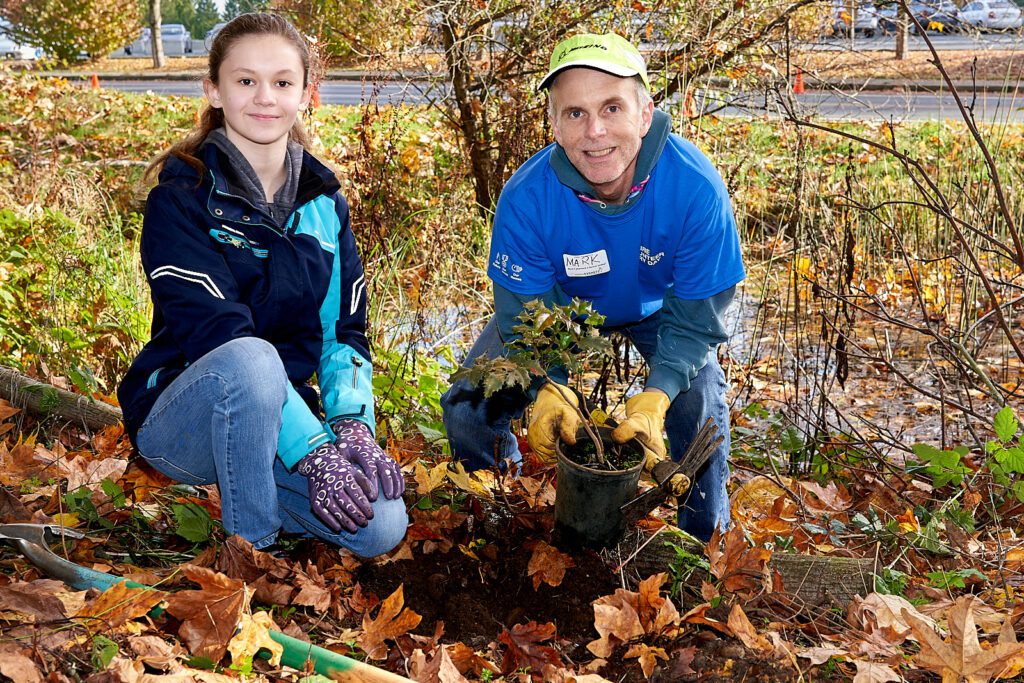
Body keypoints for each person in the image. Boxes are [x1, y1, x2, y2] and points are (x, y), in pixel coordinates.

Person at [117, 13, 407, 556]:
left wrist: (350, 427)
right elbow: (218, 337)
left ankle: (263, 487)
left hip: (283, 418)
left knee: (382, 527)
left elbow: (343, 331)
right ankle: (254, 550)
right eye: (245, 80)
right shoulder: (180, 201)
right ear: (215, 90)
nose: (264, 98)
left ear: (305, 94)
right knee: (251, 358)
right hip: (183, 418)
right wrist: (314, 451)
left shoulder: (325, 205)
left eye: (281, 82)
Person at [440, 32, 744, 542]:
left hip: (657, 307)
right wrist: (550, 382)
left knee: (703, 402)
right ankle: (506, 519)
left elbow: (697, 317)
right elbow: (523, 317)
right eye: (575, 113)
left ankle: (703, 545)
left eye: (611, 107)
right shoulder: (527, 198)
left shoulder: (694, 188)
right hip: (561, 311)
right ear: (555, 125)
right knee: (470, 403)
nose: (595, 131)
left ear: (645, 115)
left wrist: (658, 395)